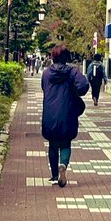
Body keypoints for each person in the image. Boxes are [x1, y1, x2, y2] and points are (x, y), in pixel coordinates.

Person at [41, 44, 89, 186]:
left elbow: (44, 88)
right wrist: (74, 91)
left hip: (50, 113)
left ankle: (55, 175)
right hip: (67, 112)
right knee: (66, 143)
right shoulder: (72, 72)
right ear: (66, 57)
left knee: (52, 145)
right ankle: (63, 164)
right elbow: (84, 85)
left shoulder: (46, 73)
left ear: (53, 57)